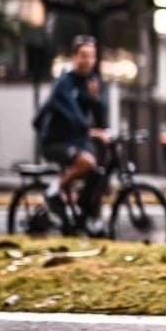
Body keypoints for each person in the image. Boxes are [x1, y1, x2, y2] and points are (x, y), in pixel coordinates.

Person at [33, 35, 110, 234]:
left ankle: (85, 216)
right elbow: (73, 115)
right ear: (74, 57)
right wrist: (91, 131)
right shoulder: (64, 84)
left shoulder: (91, 82)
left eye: (91, 56)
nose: (87, 61)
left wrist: (95, 99)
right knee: (86, 162)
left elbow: (101, 117)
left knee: (97, 175)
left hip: (76, 140)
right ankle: (53, 190)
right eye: (83, 56)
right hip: (55, 141)